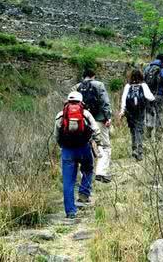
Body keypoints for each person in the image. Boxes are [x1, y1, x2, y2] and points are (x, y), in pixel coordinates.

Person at [54, 91, 103, 219]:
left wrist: (62, 145)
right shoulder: (85, 114)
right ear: (81, 101)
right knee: (88, 169)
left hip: (67, 151)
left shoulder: (61, 115)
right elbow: (96, 130)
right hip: (84, 148)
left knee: (68, 181)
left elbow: (57, 135)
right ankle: (84, 193)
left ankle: (70, 211)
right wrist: (98, 143)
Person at [74, 69, 112, 183]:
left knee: (86, 146)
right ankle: (101, 172)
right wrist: (108, 117)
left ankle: (84, 175)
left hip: (83, 121)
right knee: (104, 146)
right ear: (93, 76)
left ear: (83, 76)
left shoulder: (77, 87)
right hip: (99, 119)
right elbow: (105, 102)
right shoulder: (99, 85)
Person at [119, 69, 155, 161]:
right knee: (139, 130)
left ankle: (134, 148)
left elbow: (123, 99)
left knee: (133, 130)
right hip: (140, 111)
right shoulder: (143, 85)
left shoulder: (127, 86)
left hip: (129, 112)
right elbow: (150, 97)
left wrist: (122, 111)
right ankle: (139, 151)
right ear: (141, 76)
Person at [143, 53, 163, 139]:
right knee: (159, 115)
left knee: (149, 113)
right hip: (159, 96)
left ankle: (147, 134)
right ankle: (158, 137)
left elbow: (143, 83)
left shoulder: (147, 69)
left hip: (148, 96)